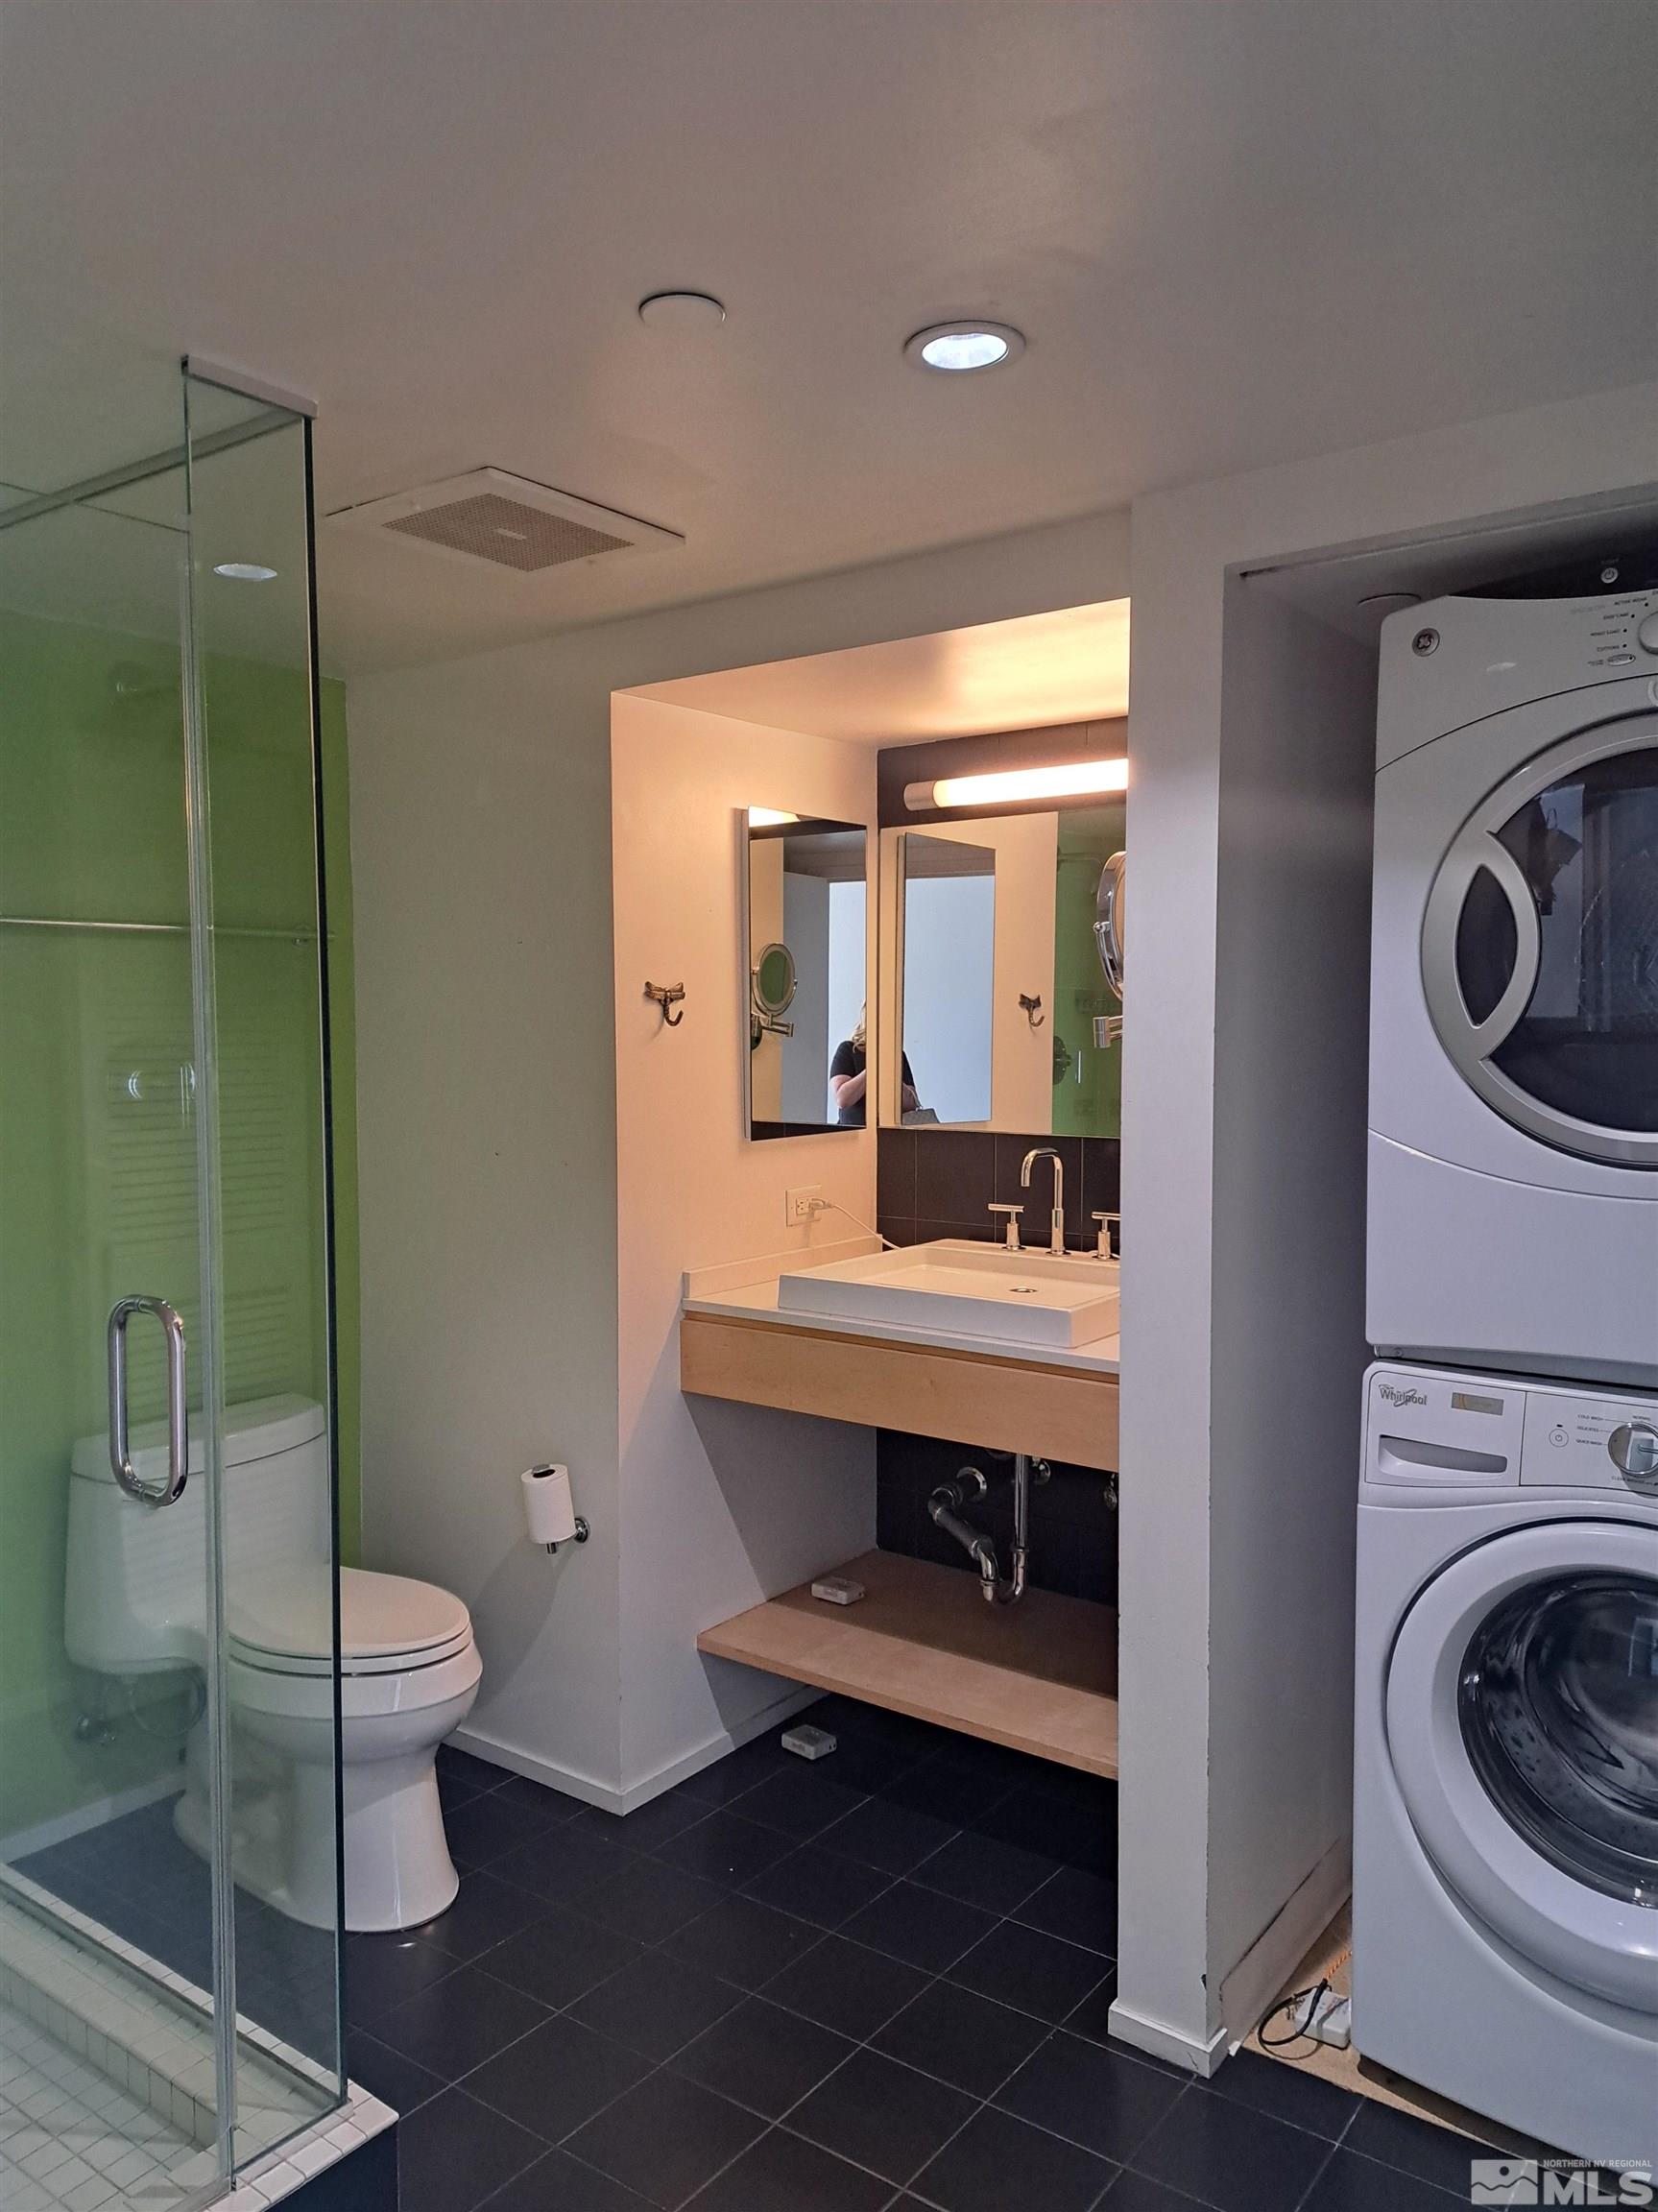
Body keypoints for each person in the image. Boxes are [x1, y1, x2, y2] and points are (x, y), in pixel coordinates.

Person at [829, 1005, 917, 1127]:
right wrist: (874, 1068)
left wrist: (890, 1069)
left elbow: (912, 1103)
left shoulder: (898, 1055)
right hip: (854, 1135)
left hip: (890, 1135)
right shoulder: (848, 1049)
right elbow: (843, 1099)